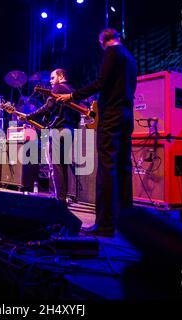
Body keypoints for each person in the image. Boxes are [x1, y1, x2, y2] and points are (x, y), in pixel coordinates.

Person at [57, 28, 137, 237]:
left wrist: (73, 96)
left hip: (111, 114)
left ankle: (104, 225)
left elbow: (101, 83)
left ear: (103, 41)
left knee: (106, 168)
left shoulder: (112, 52)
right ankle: (125, 223)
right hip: (127, 115)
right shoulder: (130, 58)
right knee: (123, 167)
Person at [20, 69, 81, 203]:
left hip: (59, 130)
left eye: (53, 78)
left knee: (56, 166)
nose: (51, 81)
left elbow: (47, 107)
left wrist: (28, 116)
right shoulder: (72, 90)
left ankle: (60, 200)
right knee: (63, 165)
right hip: (70, 130)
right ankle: (62, 198)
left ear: (61, 76)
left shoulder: (58, 88)